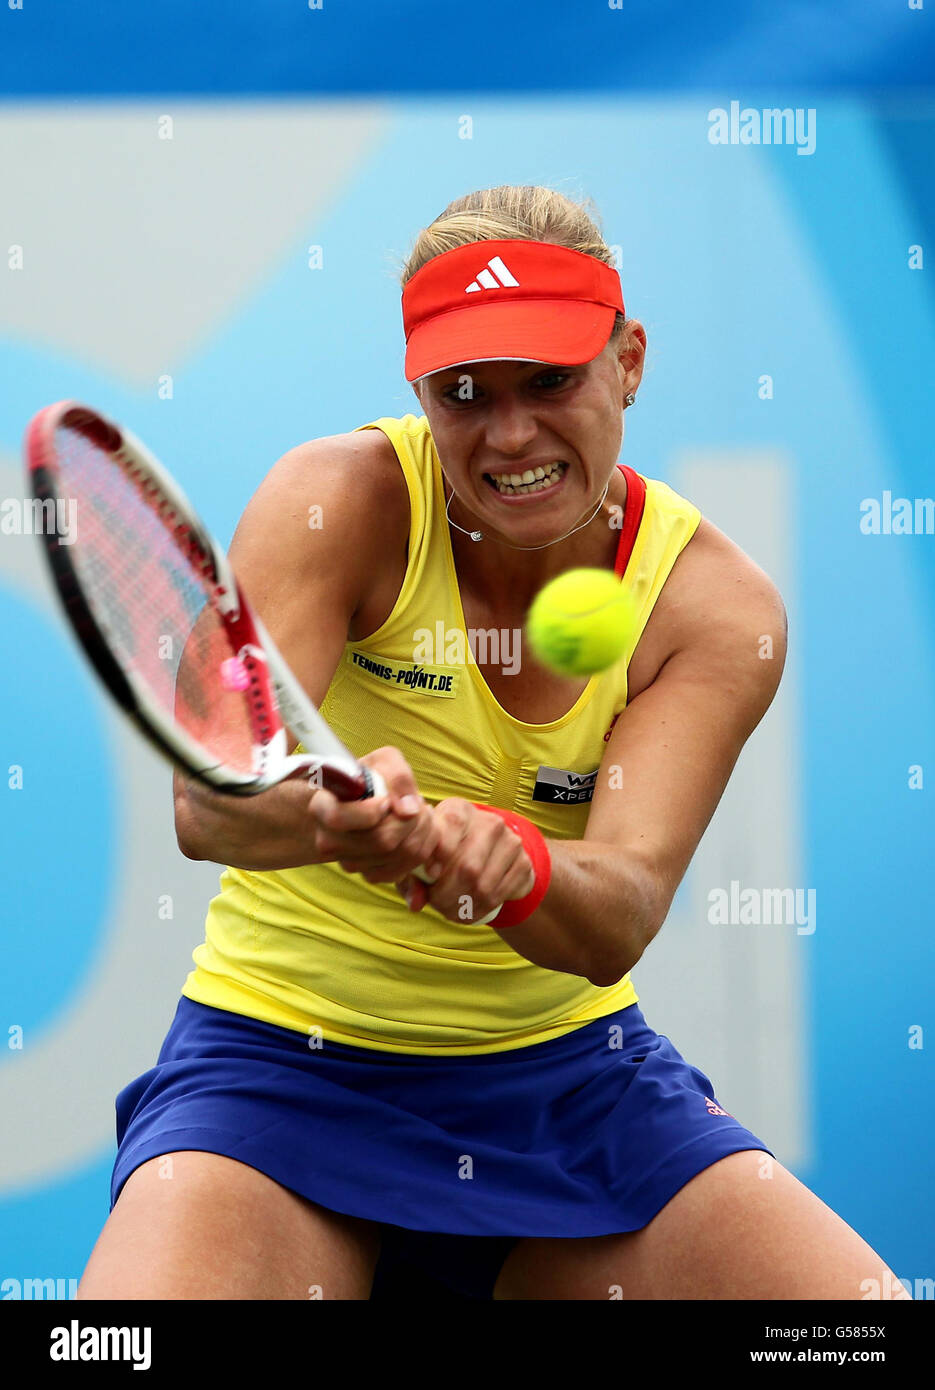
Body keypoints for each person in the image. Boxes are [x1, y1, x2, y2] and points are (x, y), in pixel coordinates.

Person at [77, 185, 909, 1301]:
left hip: (571, 1090)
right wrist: (332, 812)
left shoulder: (715, 608)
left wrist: (511, 863)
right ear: (419, 390)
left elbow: (616, 910)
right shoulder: (336, 501)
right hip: (278, 1070)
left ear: (628, 361)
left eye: (550, 380)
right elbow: (209, 804)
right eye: (464, 392)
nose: (509, 432)